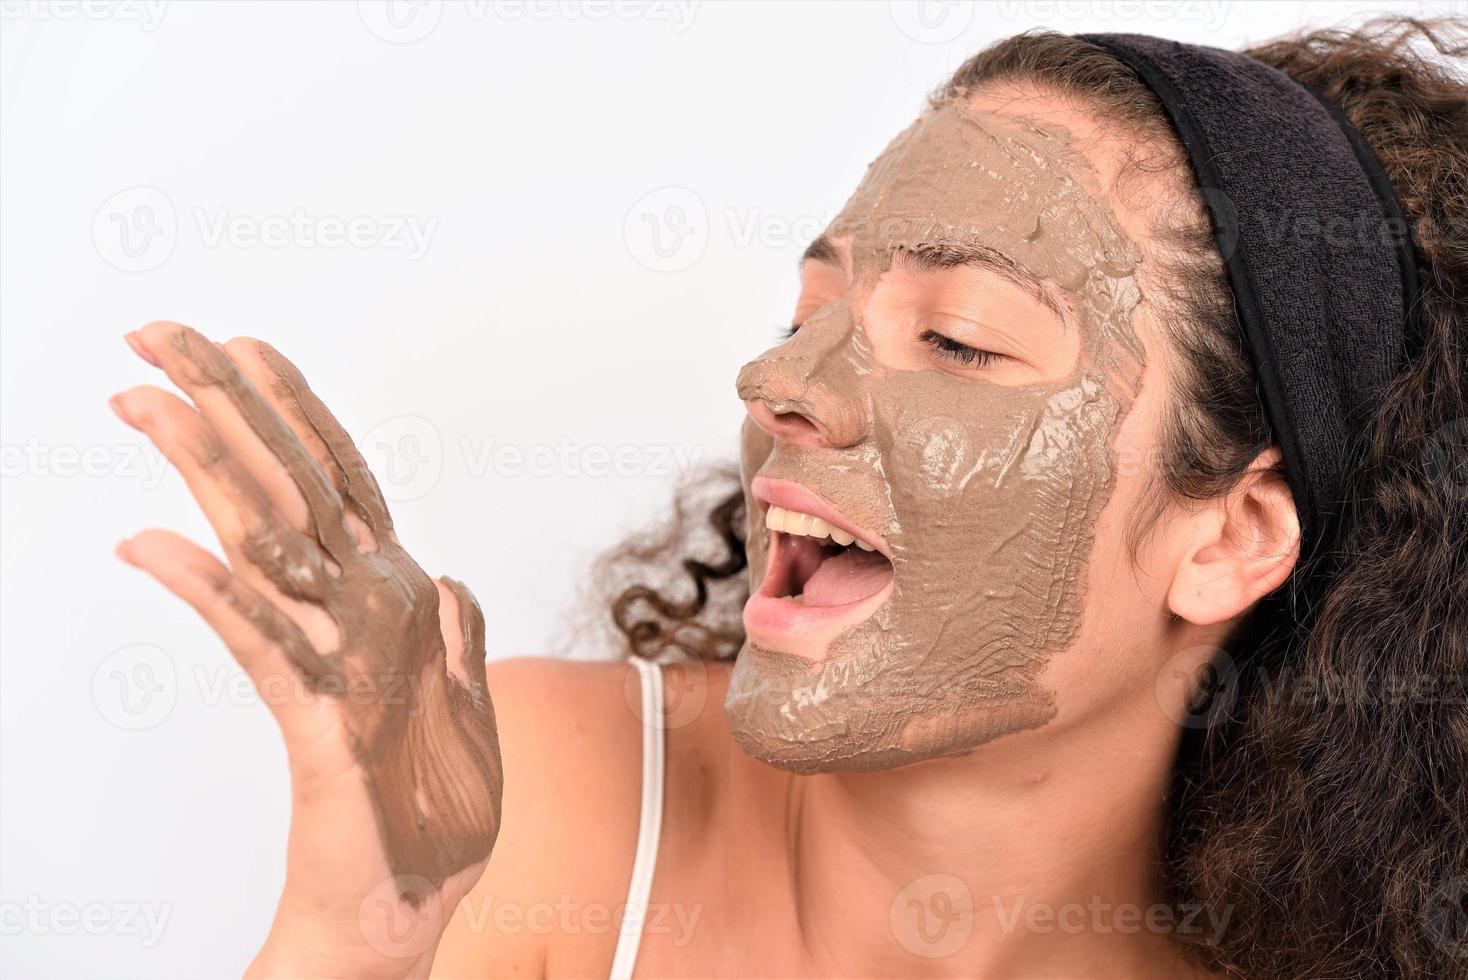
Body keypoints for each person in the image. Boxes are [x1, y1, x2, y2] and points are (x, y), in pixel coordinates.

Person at [108, 16, 1466, 979]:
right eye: (813, 309)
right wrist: (359, 941)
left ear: (1229, 538)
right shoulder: (551, 801)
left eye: (959, 340)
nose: (776, 379)